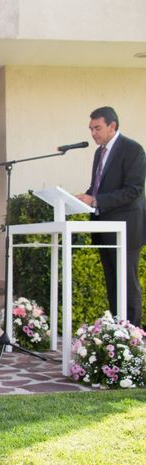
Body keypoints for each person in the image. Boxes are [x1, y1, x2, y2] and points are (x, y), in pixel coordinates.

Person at [76, 106, 146, 327]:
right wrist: (83, 197)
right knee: (113, 284)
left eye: (97, 128)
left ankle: (134, 338)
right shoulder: (100, 152)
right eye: (91, 129)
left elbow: (134, 189)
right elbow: (99, 187)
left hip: (126, 228)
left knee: (128, 283)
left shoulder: (133, 149)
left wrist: (96, 200)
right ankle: (117, 331)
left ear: (112, 126)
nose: (93, 133)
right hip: (103, 227)